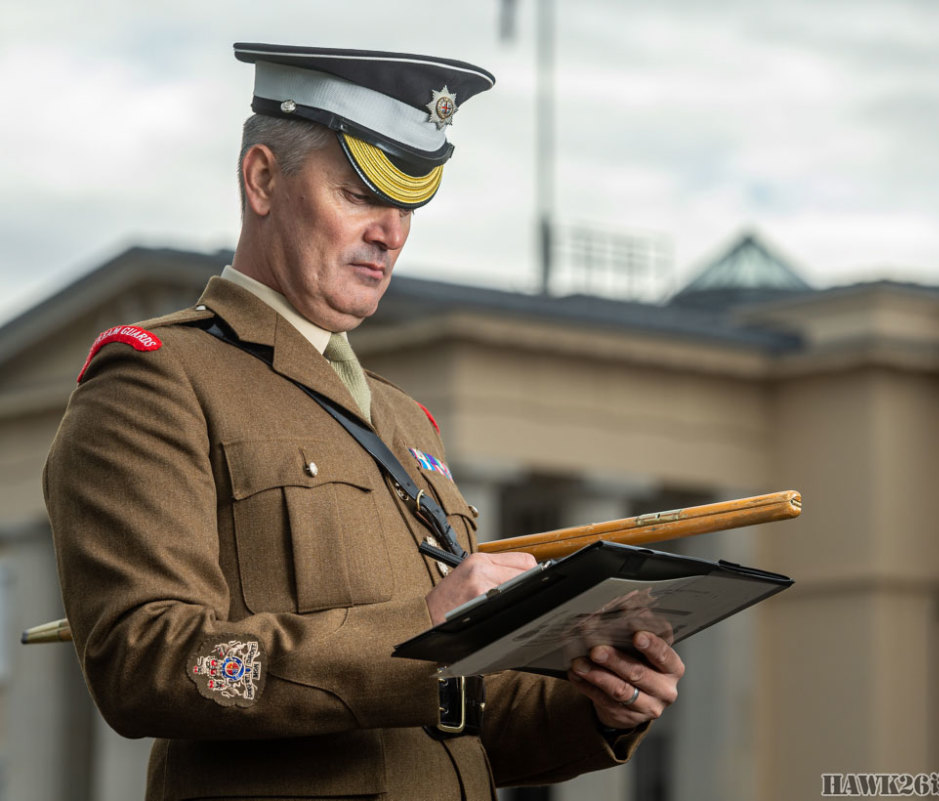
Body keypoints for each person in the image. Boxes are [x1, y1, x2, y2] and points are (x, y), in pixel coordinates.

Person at [45, 43, 685, 801]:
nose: (392, 233)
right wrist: (423, 631)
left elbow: (454, 724)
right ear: (262, 179)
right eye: (359, 195)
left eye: (407, 205)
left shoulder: (405, 421)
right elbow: (147, 662)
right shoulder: (157, 381)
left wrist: (600, 703)